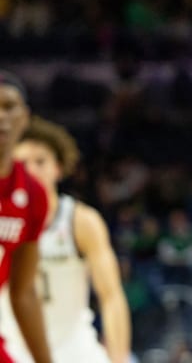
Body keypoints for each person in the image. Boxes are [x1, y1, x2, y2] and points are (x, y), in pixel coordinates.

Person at [0, 116, 131, 363]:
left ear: (58, 168)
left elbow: (111, 296)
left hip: (75, 350)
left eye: (40, 161)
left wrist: (119, 358)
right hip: (14, 350)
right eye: (22, 162)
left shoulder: (81, 221)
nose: (32, 170)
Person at [0, 70, 52, 363]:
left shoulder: (33, 194)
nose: (1, 117)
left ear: (25, 116)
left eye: (9, 107)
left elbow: (23, 293)